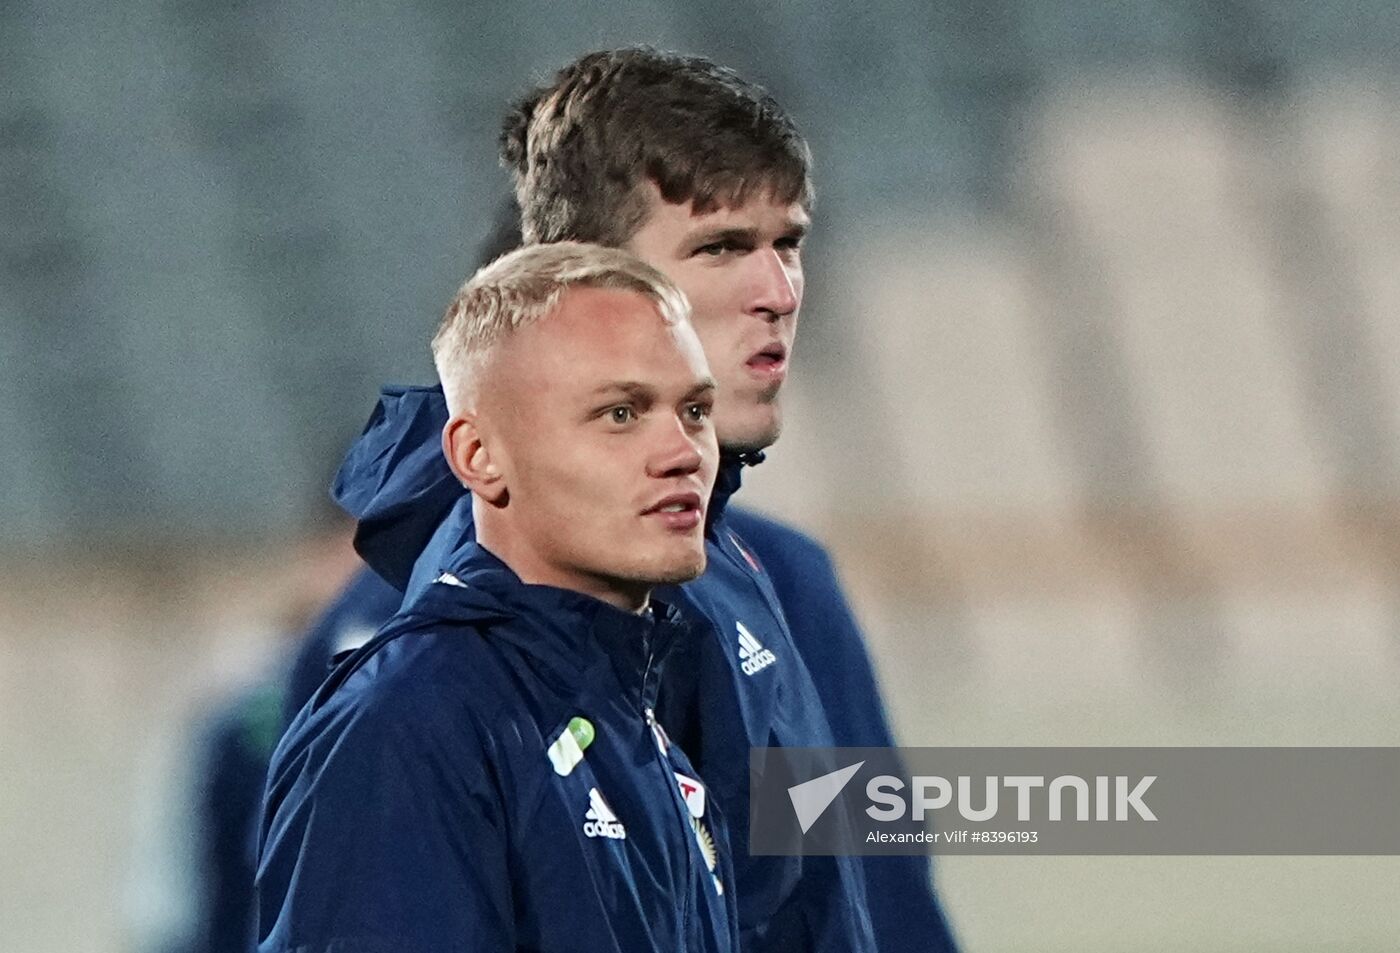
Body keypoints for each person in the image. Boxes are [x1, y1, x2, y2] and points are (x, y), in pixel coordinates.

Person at [330, 48, 955, 951]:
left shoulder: (753, 571)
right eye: (721, 248)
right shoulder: (485, 637)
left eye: (788, 244)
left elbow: (865, 889)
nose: (778, 292)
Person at [257, 243, 739, 952]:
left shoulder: (644, 723)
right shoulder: (412, 721)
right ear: (478, 455)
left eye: (695, 409)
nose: (685, 452)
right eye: (620, 413)